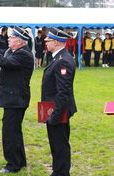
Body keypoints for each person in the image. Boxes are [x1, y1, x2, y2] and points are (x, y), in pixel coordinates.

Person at [0, 26, 34, 173]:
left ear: (20, 42)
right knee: (15, 132)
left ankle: (13, 165)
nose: (9, 39)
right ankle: (19, 161)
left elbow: (3, 61)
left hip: (16, 99)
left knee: (9, 133)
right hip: (13, 98)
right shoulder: (15, 51)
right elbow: (2, 53)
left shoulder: (24, 55)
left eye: (12, 37)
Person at [42, 27, 77, 176]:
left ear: (56, 42)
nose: (45, 42)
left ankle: (61, 173)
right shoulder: (58, 57)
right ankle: (58, 171)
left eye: (48, 40)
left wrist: (54, 116)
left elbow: (63, 92)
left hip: (58, 111)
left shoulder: (63, 61)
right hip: (54, 109)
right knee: (56, 144)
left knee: (60, 145)